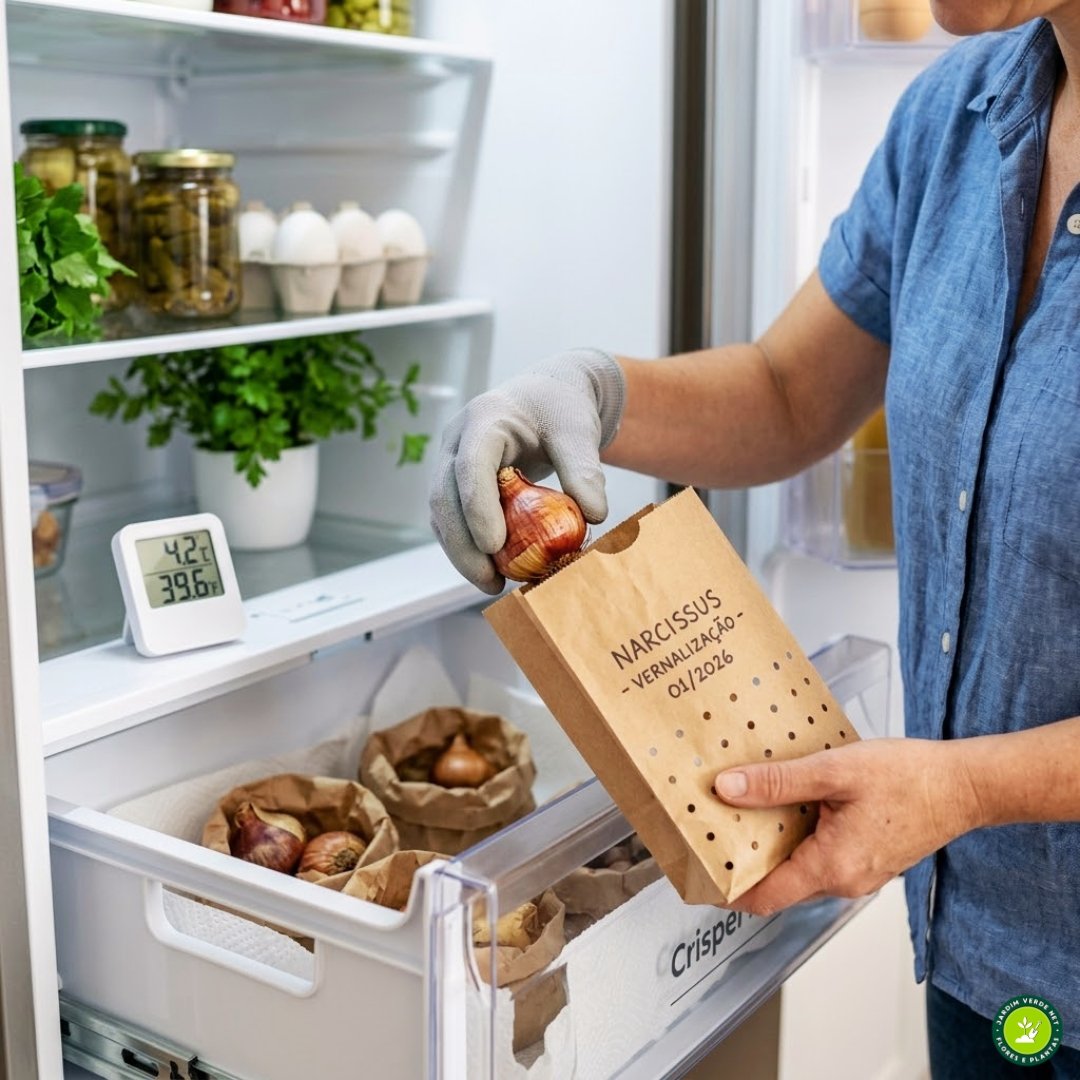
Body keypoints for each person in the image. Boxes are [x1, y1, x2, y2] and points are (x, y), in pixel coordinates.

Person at [430, 3, 1080, 1077]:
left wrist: (965, 787)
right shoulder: (953, 121)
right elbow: (788, 392)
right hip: (983, 961)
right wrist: (595, 392)